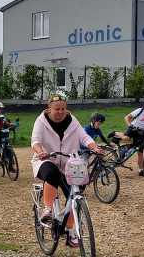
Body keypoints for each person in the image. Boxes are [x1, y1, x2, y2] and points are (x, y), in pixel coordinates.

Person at [30, 92, 106, 247]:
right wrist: (40, 152)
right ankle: (48, 209)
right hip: (46, 159)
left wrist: (95, 148)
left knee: (77, 190)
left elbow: (84, 137)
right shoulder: (41, 121)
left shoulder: (72, 120)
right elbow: (35, 140)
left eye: (63, 109)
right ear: (49, 108)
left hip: (69, 161)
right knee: (51, 174)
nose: (60, 112)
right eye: (56, 109)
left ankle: (70, 229)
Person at [114, 98, 144, 175]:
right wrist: (130, 125)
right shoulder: (140, 110)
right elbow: (127, 117)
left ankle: (141, 170)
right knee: (126, 138)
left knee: (140, 151)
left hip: (142, 133)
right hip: (133, 128)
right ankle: (115, 133)